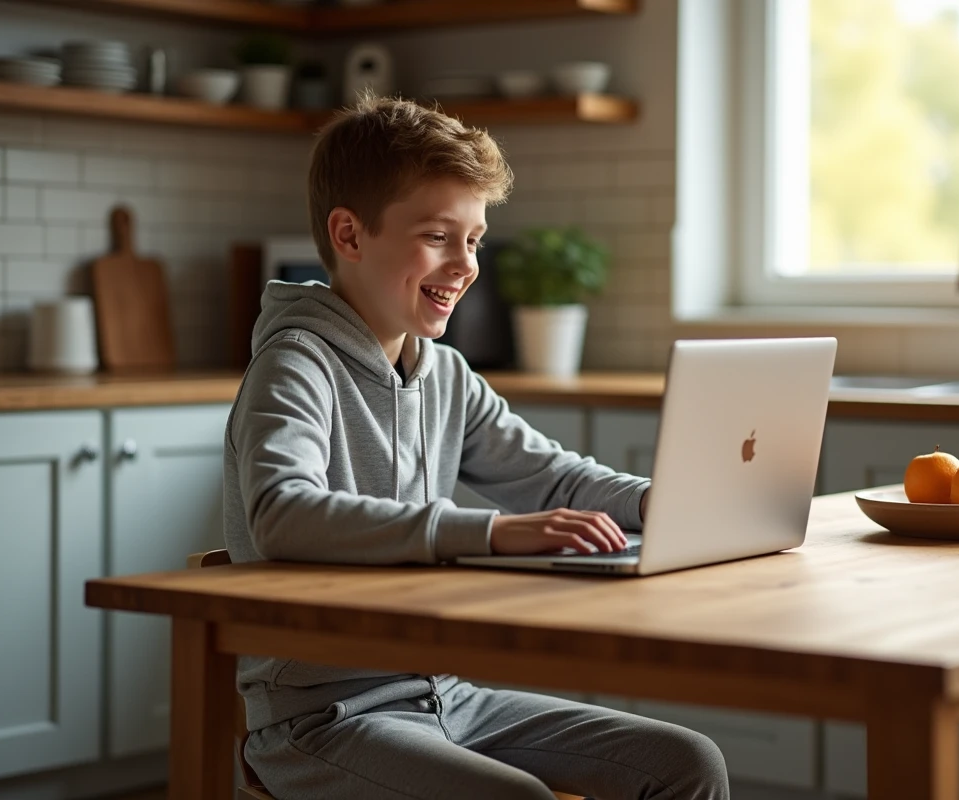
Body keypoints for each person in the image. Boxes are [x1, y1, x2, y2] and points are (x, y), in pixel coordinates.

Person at [222, 92, 730, 800]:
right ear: (349, 235)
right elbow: (283, 513)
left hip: (444, 694)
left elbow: (554, 480)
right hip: (321, 718)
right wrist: (489, 532)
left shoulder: (446, 375)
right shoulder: (295, 364)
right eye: (438, 236)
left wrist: (668, 504)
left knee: (688, 762)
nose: (465, 264)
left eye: (475, 240)